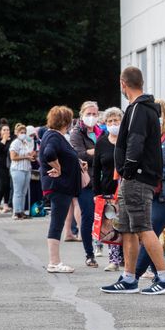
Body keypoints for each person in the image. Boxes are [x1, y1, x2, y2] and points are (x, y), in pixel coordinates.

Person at [102, 66, 165, 294]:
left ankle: (164, 278)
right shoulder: (143, 109)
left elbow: (135, 142)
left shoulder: (138, 109)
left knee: (143, 227)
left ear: (122, 84)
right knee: (127, 228)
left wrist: (127, 170)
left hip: (136, 177)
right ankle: (129, 277)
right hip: (134, 177)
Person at [131, 99, 165, 283]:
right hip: (145, 194)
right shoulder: (143, 139)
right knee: (149, 234)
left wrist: (154, 173)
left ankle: (133, 276)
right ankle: (159, 275)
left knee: (150, 233)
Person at [40, 106, 82, 273]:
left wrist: (77, 163)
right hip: (59, 186)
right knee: (57, 222)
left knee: (57, 221)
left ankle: (55, 261)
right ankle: (54, 262)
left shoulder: (54, 136)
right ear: (65, 121)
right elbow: (49, 154)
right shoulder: (54, 137)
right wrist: (57, 168)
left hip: (60, 187)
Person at [93, 107, 125, 272]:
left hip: (125, 189)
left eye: (116, 120)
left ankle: (126, 258)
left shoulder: (126, 140)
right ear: (106, 123)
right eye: (110, 121)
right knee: (111, 226)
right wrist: (96, 193)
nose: (113, 124)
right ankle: (114, 260)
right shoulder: (102, 142)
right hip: (107, 189)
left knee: (125, 225)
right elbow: (96, 168)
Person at [69, 101, 100, 268]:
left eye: (95, 114)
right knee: (88, 216)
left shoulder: (101, 131)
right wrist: (98, 152)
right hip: (86, 181)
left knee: (109, 217)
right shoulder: (76, 133)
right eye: (89, 114)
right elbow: (78, 154)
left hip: (103, 180)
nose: (92, 117)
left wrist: (91, 152)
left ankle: (117, 254)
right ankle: (90, 254)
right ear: (81, 115)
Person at [9, 124, 36, 219]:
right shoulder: (15, 143)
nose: (23, 134)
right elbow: (13, 157)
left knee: (24, 192)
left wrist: (31, 157)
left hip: (26, 168)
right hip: (18, 169)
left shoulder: (25, 142)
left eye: (25, 133)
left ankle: (21, 211)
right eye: (21, 132)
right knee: (18, 191)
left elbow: (28, 155)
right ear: (17, 133)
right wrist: (26, 157)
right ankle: (16, 212)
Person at [0, 124, 13, 214]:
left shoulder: (12, 140)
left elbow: (7, 151)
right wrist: (4, 139)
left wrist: (7, 141)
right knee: (2, 183)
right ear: (0, 131)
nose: (6, 132)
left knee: (8, 185)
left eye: (8, 130)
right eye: (4, 130)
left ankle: (5, 204)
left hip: (8, 166)